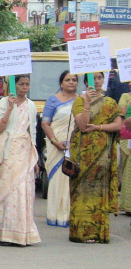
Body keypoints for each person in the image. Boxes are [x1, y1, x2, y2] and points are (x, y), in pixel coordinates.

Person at [69, 72, 122, 243]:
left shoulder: (110, 102)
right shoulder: (79, 101)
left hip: (103, 155)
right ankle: (80, 232)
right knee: (82, 192)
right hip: (83, 155)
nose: (97, 81)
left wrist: (99, 127)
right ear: (86, 82)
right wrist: (87, 103)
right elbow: (83, 125)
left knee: (99, 193)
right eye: (94, 78)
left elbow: (118, 125)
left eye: (100, 78)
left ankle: (99, 233)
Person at [0, 75, 41, 247]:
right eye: (21, 84)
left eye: (27, 84)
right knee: (6, 191)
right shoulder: (5, 102)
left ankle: (22, 233)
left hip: (24, 150)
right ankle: (4, 233)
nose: (24, 87)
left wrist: (35, 159)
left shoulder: (31, 105)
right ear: (14, 85)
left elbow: (33, 131)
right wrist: (10, 109)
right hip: (7, 150)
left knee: (23, 191)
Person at [41, 70, 78, 227]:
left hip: (75, 146)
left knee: (73, 179)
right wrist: (55, 142)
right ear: (61, 83)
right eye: (68, 79)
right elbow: (45, 123)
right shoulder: (53, 101)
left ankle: (70, 215)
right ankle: (56, 215)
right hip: (57, 146)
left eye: (74, 79)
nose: (71, 82)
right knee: (57, 179)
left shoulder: (82, 101)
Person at [118, 82, 131, 214]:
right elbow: (124, 117)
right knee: (127, 168)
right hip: (128, 136)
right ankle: (127, 204)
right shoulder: (125, 96)